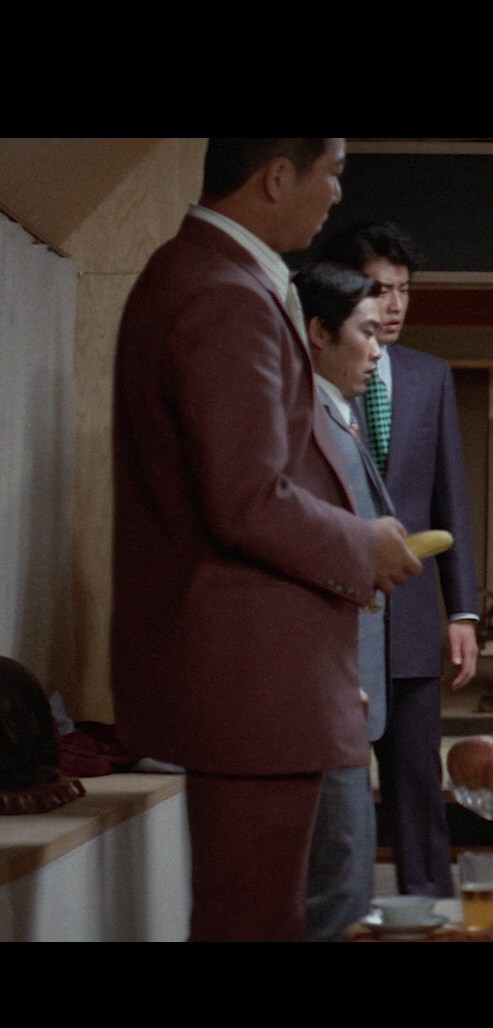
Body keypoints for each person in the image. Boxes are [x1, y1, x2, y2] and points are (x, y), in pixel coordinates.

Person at [112, 138, 421, 940]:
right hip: (249, 677)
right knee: (254, 920)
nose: (337, 194)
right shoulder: (223, 292)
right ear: (279, 177)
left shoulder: (207, 275)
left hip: (255, 671)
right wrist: (363, 545)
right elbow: (246, 498)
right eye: (333, 172)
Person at [311, 221, 480, 899]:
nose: (395, 305)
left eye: (405, 290)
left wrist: (462, 612)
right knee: (339, 796)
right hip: (334, 615)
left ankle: (430, 912)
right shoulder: (307, 377)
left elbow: (450, 499)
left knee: (417, 784)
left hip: (409, 616)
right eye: (380, 290)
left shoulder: (428, 375)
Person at [294, 261, 391, 940]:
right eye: (366, 332)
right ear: (318, 333)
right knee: (338, 873)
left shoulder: (341, 414)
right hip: (323, 680)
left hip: (345, 680)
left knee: (347, 869)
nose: (378, 349)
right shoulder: (306, 421)